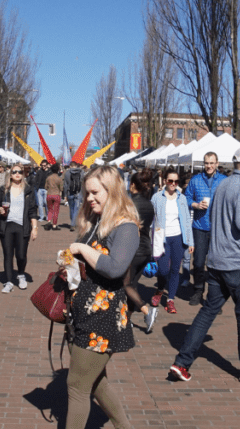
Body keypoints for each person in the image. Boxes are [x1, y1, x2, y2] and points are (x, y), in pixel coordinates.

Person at [170, 146, 240, 386]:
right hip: (239, 263)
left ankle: (181, 362)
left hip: (217, 261)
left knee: (207, 311)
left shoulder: (223, 185)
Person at [63, 165, 140, 429]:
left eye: (95, 192)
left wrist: (82, 249)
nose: (89, 198)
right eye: (87, 193)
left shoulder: (126, 227)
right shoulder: (96, 222)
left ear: (113, 191)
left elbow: (114, 268)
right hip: (85, 313)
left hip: (103, 318)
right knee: (94, 382)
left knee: (76, 385)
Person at [182, 152, 227, 306]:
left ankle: (213, 297)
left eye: (212, 163)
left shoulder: (224, 180)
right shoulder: (195, 180)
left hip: (218, 229)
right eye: (206, 163)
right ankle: (198, 290)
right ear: (203, 163)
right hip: (200, 227)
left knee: (216, 265)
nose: (209, 166)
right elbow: (186, 197)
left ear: (217, 163)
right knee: (199, 262)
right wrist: (195, 205)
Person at [150, 167, 194, 314]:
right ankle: (160, 289)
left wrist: (190, 241)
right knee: (163, 270)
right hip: (162, 238)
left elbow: (187, 220)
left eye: (176, 181)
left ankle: (171, 300)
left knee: (175, 270)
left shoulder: (182, 198)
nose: (173, 184)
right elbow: (150, 218)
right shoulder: (157, 198)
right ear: (165, 181)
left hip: (178, 238)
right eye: (170, 181)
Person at [0, 164, 38, 293]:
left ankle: (21, 274)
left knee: (21, 255)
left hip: (22, 226)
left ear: (23, 174)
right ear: (10, 174)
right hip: (6, 225)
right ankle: (8, 282)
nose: (17, 174)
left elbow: (32, 211)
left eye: (20, 172)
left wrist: (34, 228)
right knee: (8, 254)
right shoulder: (3, 190)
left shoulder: (28, 190)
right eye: (14, 172)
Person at [124, 168, 158, 333]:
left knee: (125, 285)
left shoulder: (130, 204)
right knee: (133, 285)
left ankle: (146, 310)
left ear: (132, 186)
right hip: (145, 248)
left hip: (133, 249)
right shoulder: (149, 205)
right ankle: (126, 320)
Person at [63, 161, 85, 232]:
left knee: (71, 209)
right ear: (76, 166)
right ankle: (73, 223)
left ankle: (72, 223)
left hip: (70, 192)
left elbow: (65, 185)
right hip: (78, 193)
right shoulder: (81, 172)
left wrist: (65, 195)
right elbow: (83, 183)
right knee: (76, 209)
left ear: (70, 166)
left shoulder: (67, 173)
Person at [44, 164, 63, 229]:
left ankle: (49, 221)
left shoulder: (48, 178)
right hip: (56, 195)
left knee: (50, 210)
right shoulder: (59, 178)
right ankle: (54, 225)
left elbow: (45, 187)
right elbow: (61, 188)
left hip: (49, 194)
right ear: (58, 170)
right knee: (56, 210)